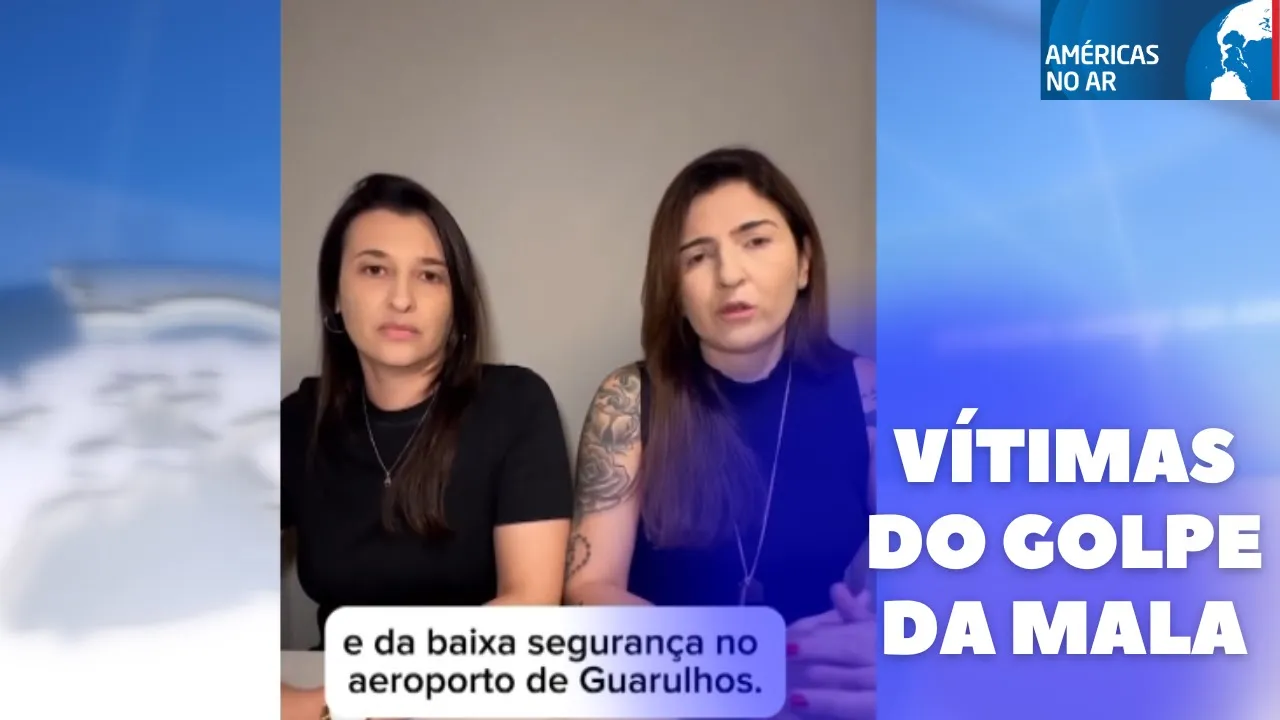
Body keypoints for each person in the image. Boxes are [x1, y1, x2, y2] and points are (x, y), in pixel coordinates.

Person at [564, 148, 876, 719]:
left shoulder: (872, 395)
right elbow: (588, 590)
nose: (730, 275)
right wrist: (734, 663)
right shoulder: (628, 399)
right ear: (675, 288)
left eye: (755, 241)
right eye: (698, 256)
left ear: (804, 263)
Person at [280, 174, 574, 719]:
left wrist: (372, 700)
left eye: (430, 275)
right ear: (334, 295)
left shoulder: (516, 404)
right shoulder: (299, 422)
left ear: (456, 304)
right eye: (374, 269)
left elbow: (530, 604)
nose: (401, 299)